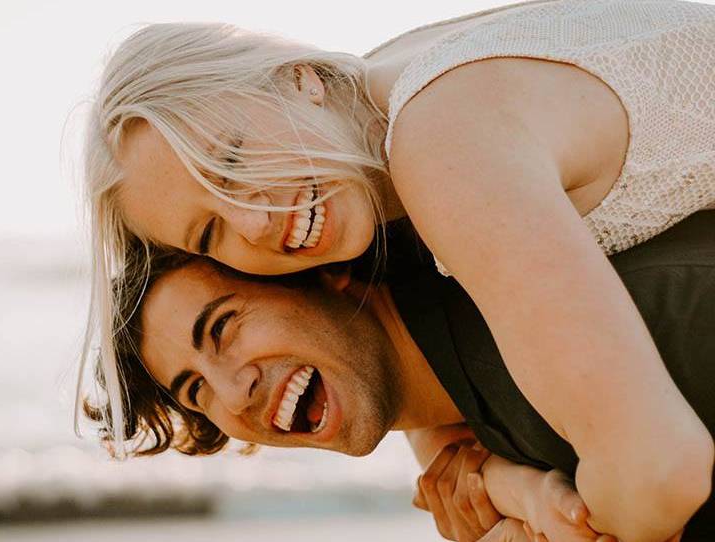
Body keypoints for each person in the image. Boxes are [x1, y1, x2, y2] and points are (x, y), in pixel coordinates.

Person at [79, 1, 715, 540]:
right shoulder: (381, 105)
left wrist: (516, 501)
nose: (252, 224)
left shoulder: (441, 138)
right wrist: (476, 468)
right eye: (211, 232)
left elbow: (659, 472)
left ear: (297, 78)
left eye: (233, 162)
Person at [82, 210, 715, 541]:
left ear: (313, 271)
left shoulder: (566, 367)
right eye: (194, 390)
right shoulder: (487, 395)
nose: (232, 392)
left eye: (223, 328)